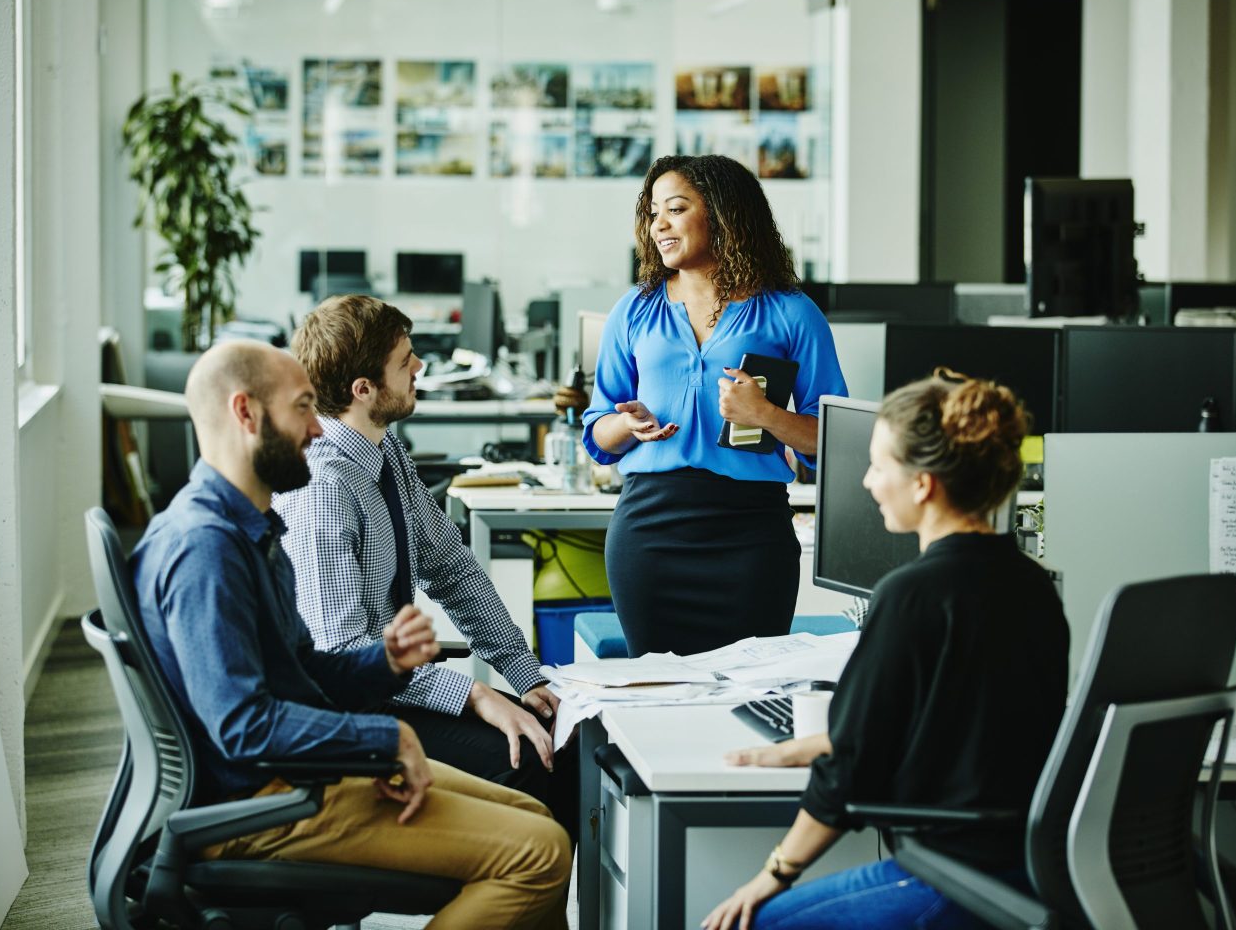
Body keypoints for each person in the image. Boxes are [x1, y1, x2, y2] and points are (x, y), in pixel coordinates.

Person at [131, 340, 570, 930]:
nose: (318, 428)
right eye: (303, 408)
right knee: (539, 854)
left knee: (538, 816)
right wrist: (383, 738)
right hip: (266, 802)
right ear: (246, 413)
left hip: (300, 773)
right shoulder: (204, 548)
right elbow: (243, 726)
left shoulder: (249, 524)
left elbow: (304, 670)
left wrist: (384, 661)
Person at [702, 369, 1069, 930]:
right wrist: (815, 743)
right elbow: (962, 719)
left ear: (922, 484)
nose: (869, 482)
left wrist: (771, 874)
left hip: (951, 873)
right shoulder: (1031, 583)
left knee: (753, 922)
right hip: (1031, 864)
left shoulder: (914, 594)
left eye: (879, 466)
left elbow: (851, 773)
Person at [276, 294, 578, 843]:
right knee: (535, 763)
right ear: (362, 390)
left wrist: (523, 675)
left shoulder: (384, 453)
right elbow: (344, 652)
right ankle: (507, 884)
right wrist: (474, 695)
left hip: (394, 689)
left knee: (563, 737)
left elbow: (452, 570)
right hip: (352, 712)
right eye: (405, 361)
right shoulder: (324, 492)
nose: (421, 368)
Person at [582, 153, 848, 656]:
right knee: (658, 693)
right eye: (653, 212)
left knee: (753, 693)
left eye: (676, 208)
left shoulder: (791, 312)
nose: (659, 224)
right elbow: (596, 432)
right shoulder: (634, 309)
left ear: (724, 214)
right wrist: (626, 424)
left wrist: (765, 416)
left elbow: (834, 442)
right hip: (649, 533)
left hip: (751, 537)